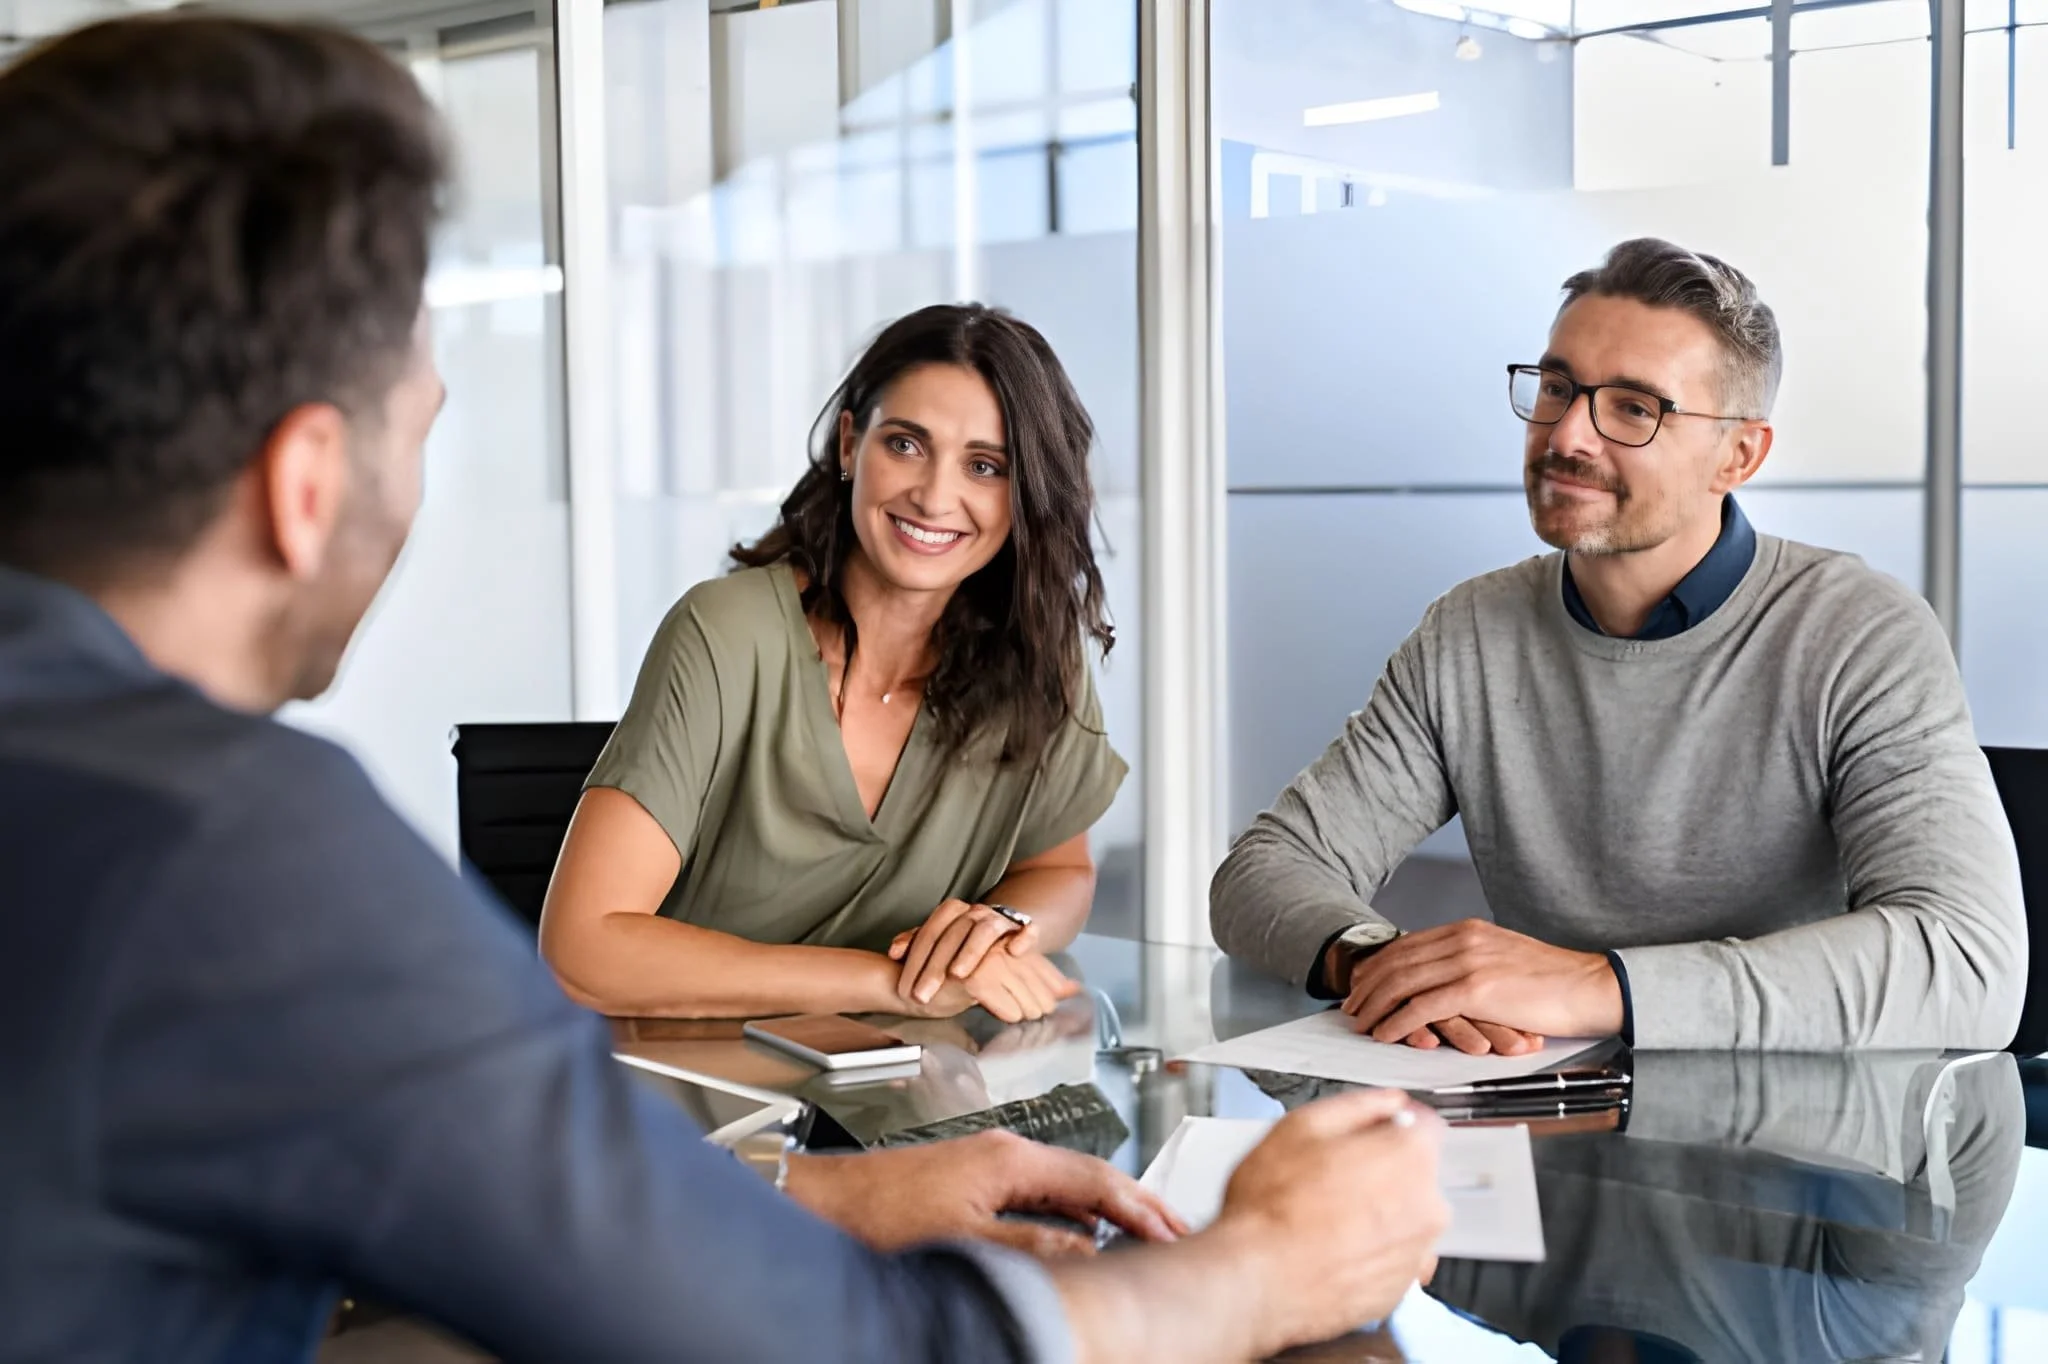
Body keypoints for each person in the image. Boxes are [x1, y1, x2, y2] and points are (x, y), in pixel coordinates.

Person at [0, 14, 1451, 1363]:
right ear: (306, 486)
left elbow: (417, 1210)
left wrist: (822, 1203)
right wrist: (1255, 1267)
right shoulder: (239, 860)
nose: (938, 491)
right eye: (424, 422)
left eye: (988, 465)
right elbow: (833, 1344)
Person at [1211, 237, 2026, 1055]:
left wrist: (1596, 984)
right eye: (1557, 387)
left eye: (1635, 408)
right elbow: (1263, 872)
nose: (1568, 436)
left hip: (1805, 1153)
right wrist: (1381, 964)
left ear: (1737, 455)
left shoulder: (1860, 634)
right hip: (1540, 1130)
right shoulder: (1468, 633)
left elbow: (1965, 962)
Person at [541, 304, 1125, 1023]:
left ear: (1025, 492)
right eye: (906, 445)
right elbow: (582, 949)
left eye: (984, 466)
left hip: (902, 1103)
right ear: (851, 445)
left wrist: (1000, 930)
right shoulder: (725, 634)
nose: (936, 496)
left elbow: (1058, 869)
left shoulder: (1038, 653)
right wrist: (892, 985)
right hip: (686, 1097)